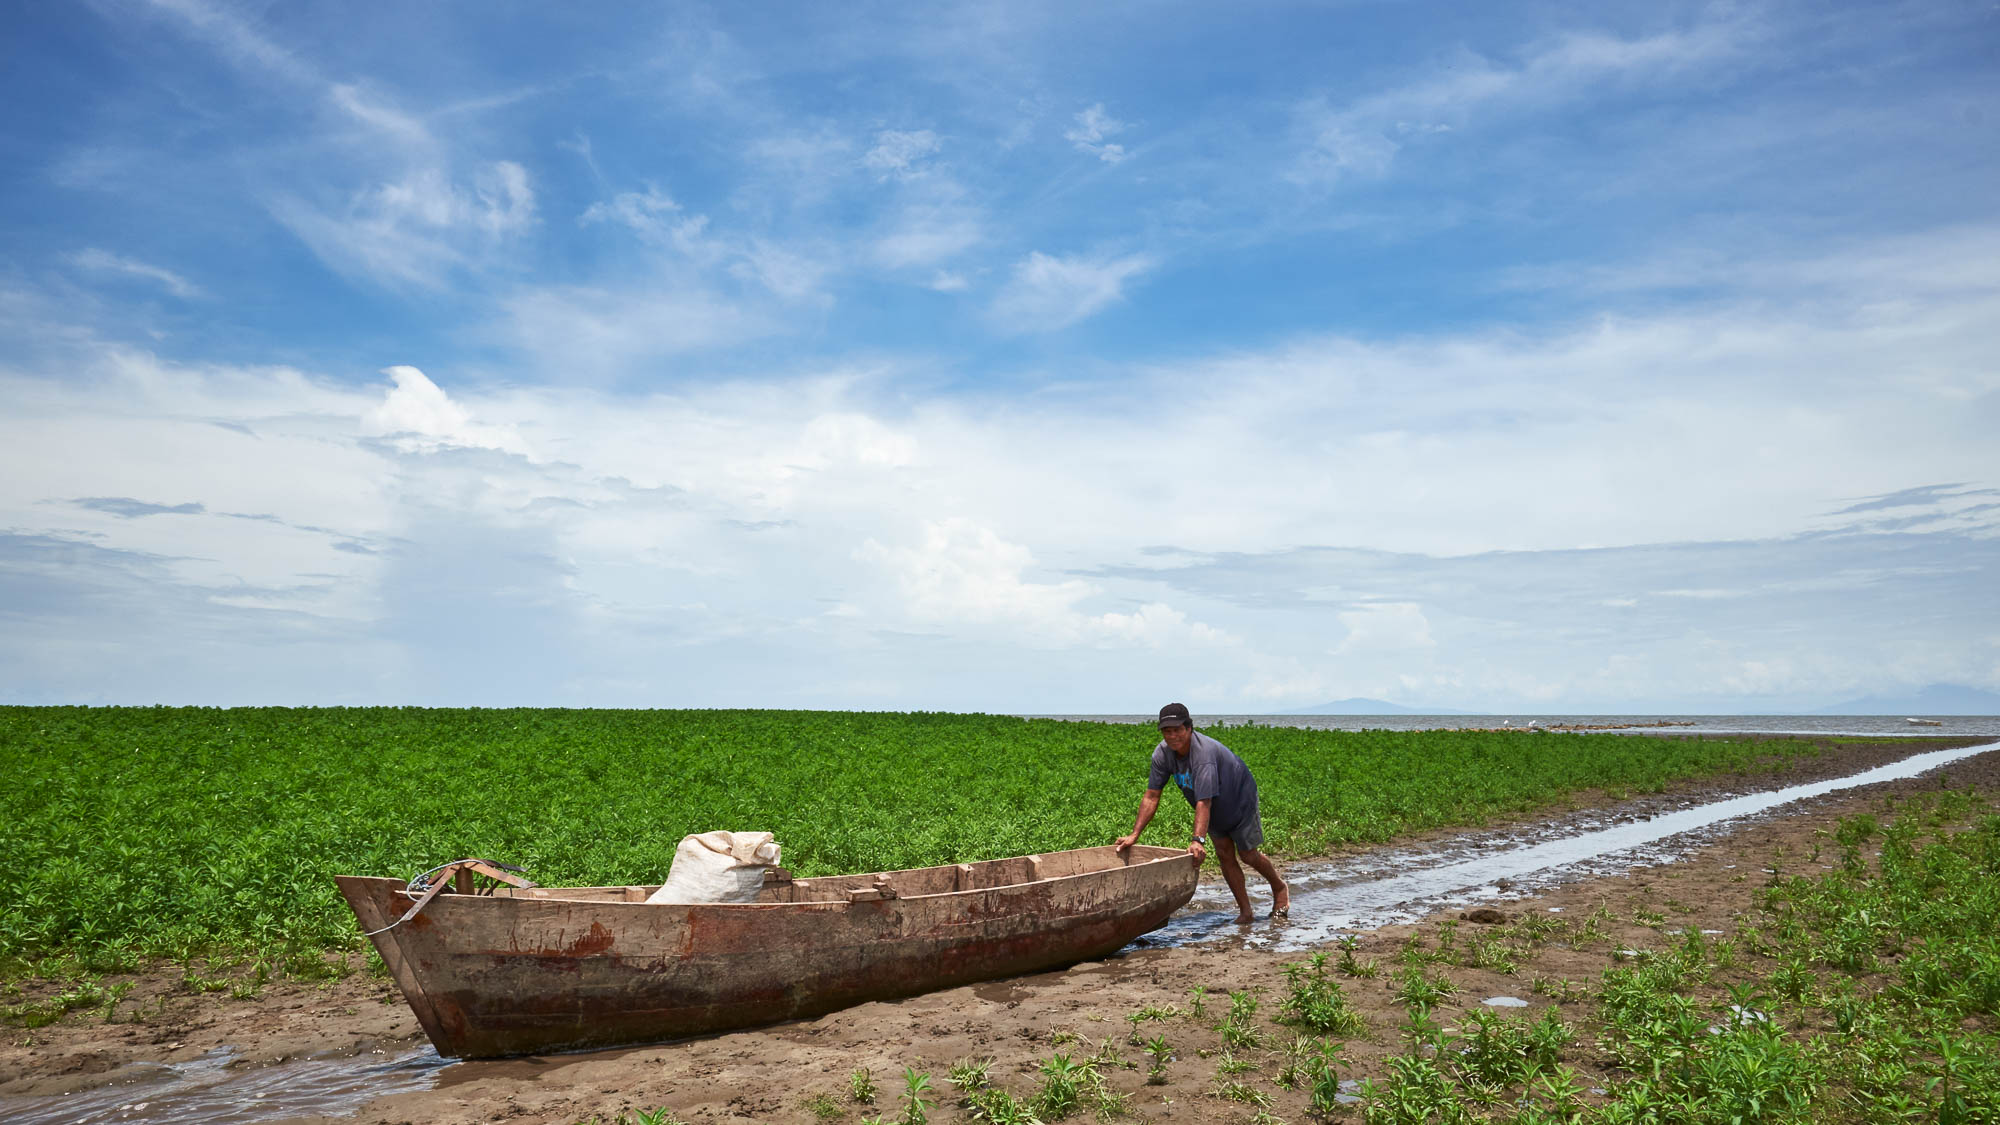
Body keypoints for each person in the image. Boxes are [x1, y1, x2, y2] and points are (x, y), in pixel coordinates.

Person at [1114, 703, 1289, 924]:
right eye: (1167, 731)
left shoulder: (1202, 755)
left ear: (1189, 728)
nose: (1173, 736)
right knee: (1225, 854)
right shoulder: (1162, 754)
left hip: (1239, 797)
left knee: (1247, 854)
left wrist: (1197, 840)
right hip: (1212, 806)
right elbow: (1151, 795)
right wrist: (1134, 834)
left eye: (1177, 729)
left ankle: (1279, 886)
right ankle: (1246, 912)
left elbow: (1203, 801)